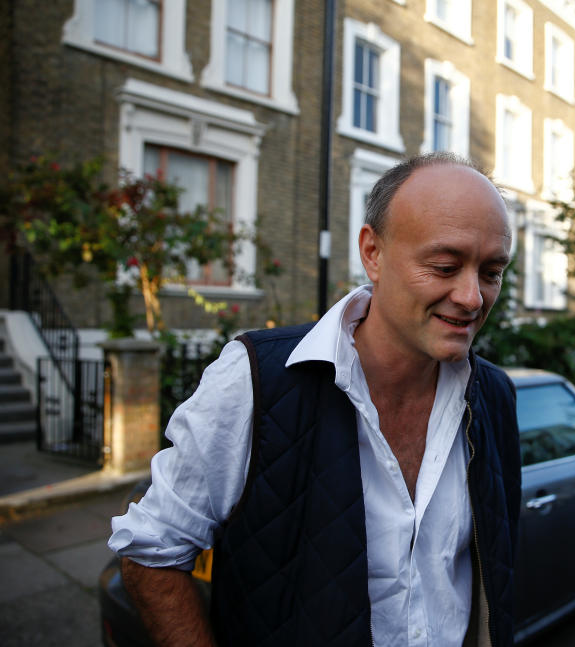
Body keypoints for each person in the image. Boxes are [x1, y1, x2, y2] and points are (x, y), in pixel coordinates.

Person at [108, 152, 521, 646]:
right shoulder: (259, 378)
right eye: (444, 265)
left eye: (492, 272)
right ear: (373, 252)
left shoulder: (494, 397)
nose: (472, 296)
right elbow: (151, 551)